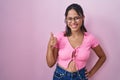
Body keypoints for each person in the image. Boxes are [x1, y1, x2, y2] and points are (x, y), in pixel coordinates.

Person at [46, 3, 106, 80]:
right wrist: (50, 47)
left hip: (80, 77)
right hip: (60, 76)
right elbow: (50, 64)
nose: (73, 22)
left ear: (83, 18)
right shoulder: (59, 37)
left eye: (77, 18)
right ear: (66, 19)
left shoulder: (90, 38)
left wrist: (91, 72)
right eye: (70, 18)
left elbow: (102, 57)